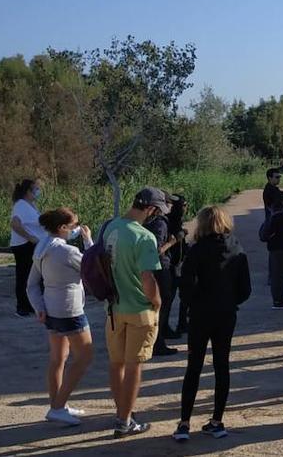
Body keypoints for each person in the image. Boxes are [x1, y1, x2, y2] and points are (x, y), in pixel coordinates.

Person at [172, 205, 252, 442]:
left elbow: (185, 287)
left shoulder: (196, 251)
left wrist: (191, 305)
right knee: (221, 365)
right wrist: (230, 300)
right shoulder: (237, 249)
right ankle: (217, 420)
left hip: (200, 314)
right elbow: (245, 289)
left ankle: (184, 422)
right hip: (226, 313)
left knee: (193, 367)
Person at [102, 187, 169, 438]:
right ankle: (124, 420)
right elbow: (147, 277)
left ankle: (121, 412)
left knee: (116, 363)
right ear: (150, 209)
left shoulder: (111, 227)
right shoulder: (145, 237)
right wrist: (158, 301)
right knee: (133, 366)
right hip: (139, 309)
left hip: (114, 307)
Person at [26, 206, 94, 427]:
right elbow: (91, 267)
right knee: (84, 357)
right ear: (63, 227)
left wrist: (39, 307)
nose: (76, 228)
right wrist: (88, 241)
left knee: (58, 359)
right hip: (70, 310)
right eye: (74, 225)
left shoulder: (41, 248)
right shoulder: (67, 252)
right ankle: (57, 407)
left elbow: (31, 285)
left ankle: (58, 404)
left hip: (51, 310)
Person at [143, 194, 181, 357]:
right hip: (161, 267)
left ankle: (156, 338)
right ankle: (158, 343)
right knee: (162, 305)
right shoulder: (160, 223)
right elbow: (157, 249)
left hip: (148, 268)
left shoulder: (144, 222)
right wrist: (174, 241)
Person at [9, 179, 44, 317]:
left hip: (31, 245)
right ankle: (22, 307)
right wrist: (31, 238)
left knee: (32, 276)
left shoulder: (30, 205)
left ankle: (30, 305)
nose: (37, 191)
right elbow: (15, 224)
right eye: (35, 189)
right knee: (24, 276)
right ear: (28, 192)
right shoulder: (21, 205)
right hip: (23, 246)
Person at [167, 195, 190, 336]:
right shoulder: (168, 221)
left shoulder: (175, 220)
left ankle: (182, 322)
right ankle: (165, 327)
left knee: (184, 294)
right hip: (172, 263)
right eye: (184, 205)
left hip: (179, 262)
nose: (185, 208)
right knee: (169, 297)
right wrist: (180, 235)